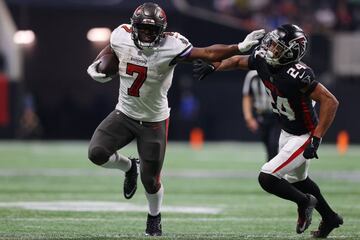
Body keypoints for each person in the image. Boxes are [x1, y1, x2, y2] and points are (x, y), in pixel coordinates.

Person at [86, 2, 265, 236]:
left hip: (154, 120)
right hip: (124, 113)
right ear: (134, 26)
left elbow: (208, 53)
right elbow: (111, 50)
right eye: (143, 29)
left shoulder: (172, 45)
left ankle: (154, 217)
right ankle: (130, 167)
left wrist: (239, 46)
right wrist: (96, 65)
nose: (147, 35)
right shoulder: (121, 34)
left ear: (162, 31)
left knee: (151, 181)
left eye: (152, 30)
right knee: (96, 153)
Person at [193, 24, 343, 238]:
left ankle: (304, 201)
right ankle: (330, 218)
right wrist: (215, 66)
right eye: (272, 44)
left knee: (268, 177)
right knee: (299, 180)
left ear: (292, 52)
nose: (271, 50)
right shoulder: (264, 59)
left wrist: (316, 138)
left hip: (304, 134)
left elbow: (331, 101)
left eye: (278, 47)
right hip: (287, 130)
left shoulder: (297, 74)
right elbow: (237, 60)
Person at [242, 70, 280, 161]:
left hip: (279, 116)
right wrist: (249, 118)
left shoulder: (279, 72)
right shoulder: (253, 75)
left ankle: (273, 171)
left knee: (274, 144)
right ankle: (272, 169)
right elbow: (247, 96)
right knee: (268, 145)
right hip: (262, 115)